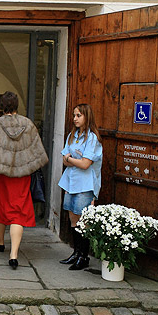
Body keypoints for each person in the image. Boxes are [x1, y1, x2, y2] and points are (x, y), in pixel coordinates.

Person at [0, 92, 48, 270]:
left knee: (0, 206)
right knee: (18, 212)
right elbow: (38, 153)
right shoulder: (28, 125)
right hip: (21, 176)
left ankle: (1, 241)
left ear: (2, 105)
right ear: (17, 105)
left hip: (0, 175)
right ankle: (14, 254)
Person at [58, 103, 103, 270]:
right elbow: (64, 158)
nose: (75, 119)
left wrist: (71, 159)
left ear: (87, 117)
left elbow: (85, 164)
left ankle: (84, 256)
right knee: (73, 219)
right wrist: (71, 159)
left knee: (84, 221)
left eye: (78, 116)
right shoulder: (73, 135)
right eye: (74, 115)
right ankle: (76, 253)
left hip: (85, 185)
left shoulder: (92, 139)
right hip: (71, 182)